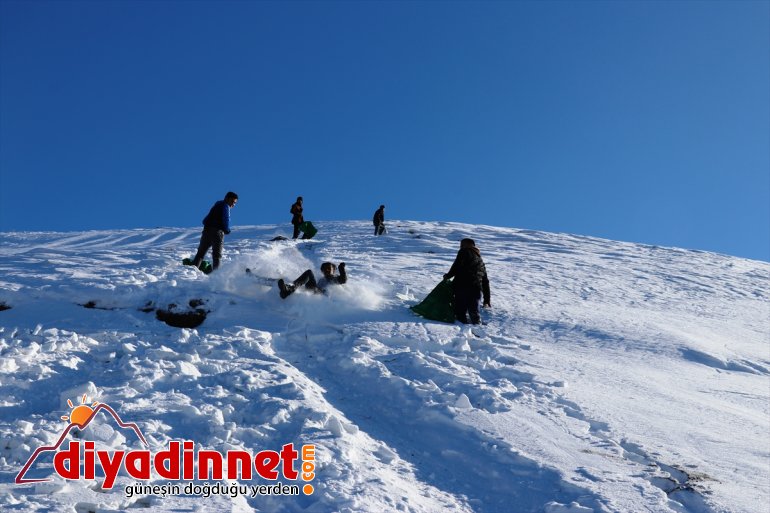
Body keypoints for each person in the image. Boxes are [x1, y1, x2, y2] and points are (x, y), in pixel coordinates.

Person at [444, 238, 490, 324]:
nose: (460, 246)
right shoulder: (481, 261)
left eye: (462, 244)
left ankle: (462, 333)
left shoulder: (464, 251)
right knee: (474, 313)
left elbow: (457, 265)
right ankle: (477, 332)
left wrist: (448, 275)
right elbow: (485, 281)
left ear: (470, 245)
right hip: (476, 289)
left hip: (462, 286)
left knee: (460, 313)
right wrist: (487, 299)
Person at [188, 192, 238, 271]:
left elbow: (205, 219)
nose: (233, 204)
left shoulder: (216, 205)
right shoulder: (225, 206)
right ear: (226, 199)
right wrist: (227, 230)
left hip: (206, 231)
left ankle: (192, 271)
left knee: (200, 254)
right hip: (217, 233)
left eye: (235, 203)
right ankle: (216, 275)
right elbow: (226, 219)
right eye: (232, 201)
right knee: (217, 256)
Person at [278, 262, 347, 299]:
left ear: (334, 270)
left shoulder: (333, 278)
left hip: (321, 296)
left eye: (329, 269)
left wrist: (341, 268)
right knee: (308, 274)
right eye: (324, 269)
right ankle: (287, 288)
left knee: (309, 273)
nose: (326, 270)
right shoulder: (322, 278)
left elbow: (343, 280)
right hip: (314, 291)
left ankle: (288, 290)